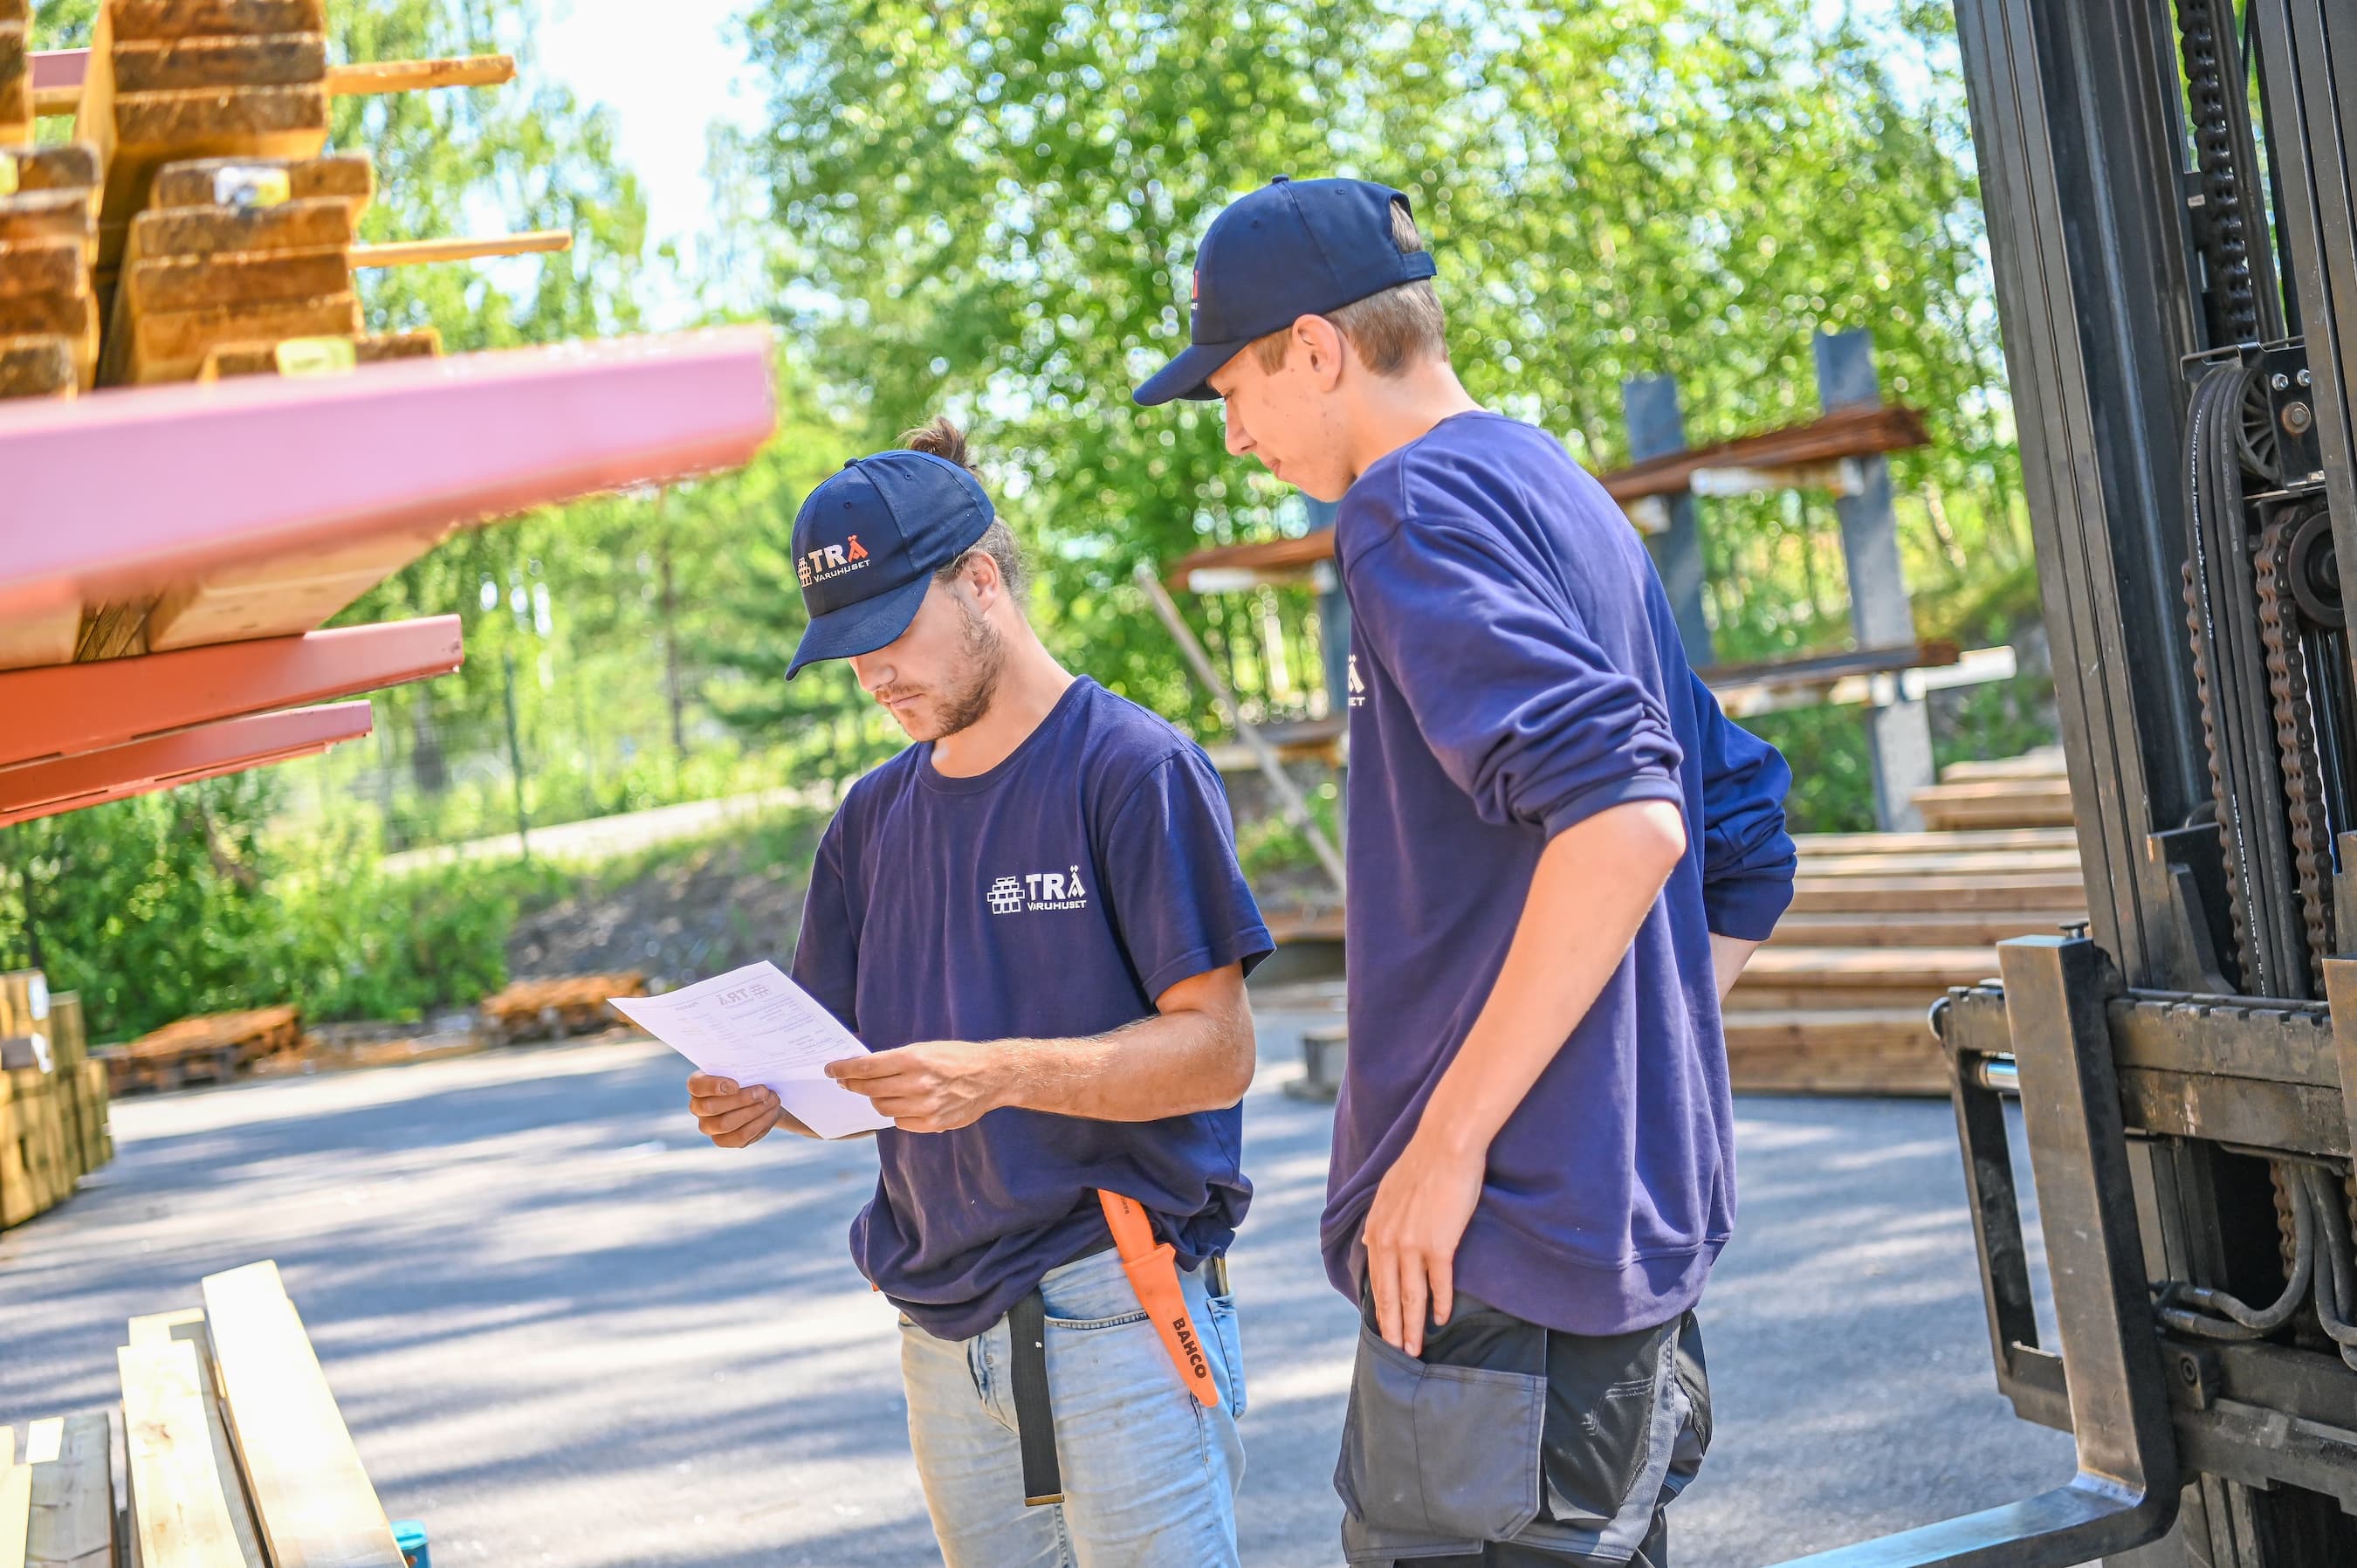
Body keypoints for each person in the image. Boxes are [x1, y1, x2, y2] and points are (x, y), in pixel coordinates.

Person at [1135, 177, 1797, 1567]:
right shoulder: (1560, 490)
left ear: (1318, 349)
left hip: (1496, 1253)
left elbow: (1631, 820)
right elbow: (1742, 827)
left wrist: (1454, 1140)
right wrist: (1615, 1072)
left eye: (1235, 386)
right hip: (1604, 1254)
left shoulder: (1405, 510)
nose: (1235, 428)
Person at [684, 418, 1271, 1567]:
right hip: (940, 1335)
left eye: (889, 633)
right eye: (846, 650)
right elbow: (838, 1074)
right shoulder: (868, 822)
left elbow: (1217, 1051)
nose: (871, 674)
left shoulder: (1132, 770)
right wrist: (766, 1102)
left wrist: (1001, 1073)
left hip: (1116, 1308)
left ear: (982, 583)